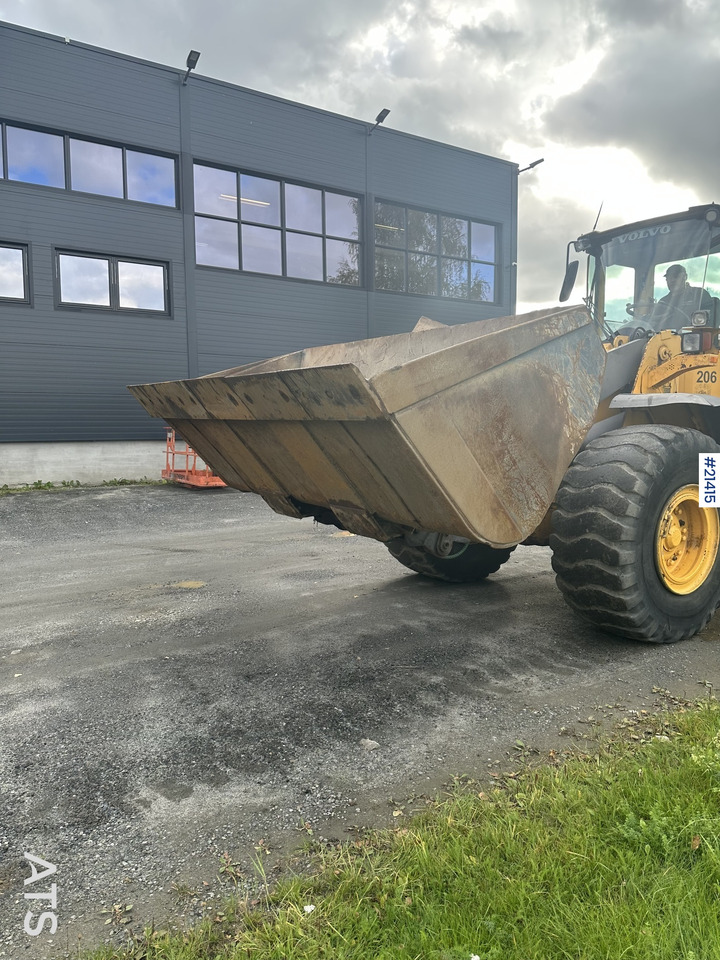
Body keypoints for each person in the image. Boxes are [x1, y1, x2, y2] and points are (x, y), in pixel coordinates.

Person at [650, 264, 714, 330]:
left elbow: (711, 322)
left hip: (693, 338)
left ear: (685, 277)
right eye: (669, 278)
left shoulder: (700, 295)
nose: (672, 280)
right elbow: (653, 325)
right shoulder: (662, 302)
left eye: (675, 276)